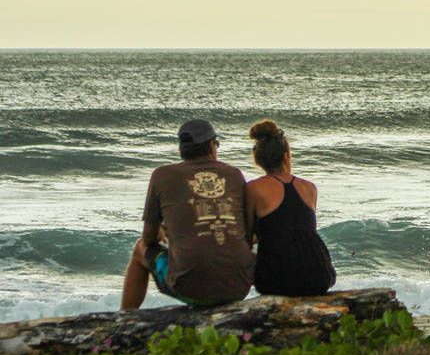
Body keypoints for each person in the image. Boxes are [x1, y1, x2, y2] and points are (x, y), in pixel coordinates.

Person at [121, 119, 255, 309]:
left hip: (189, 290)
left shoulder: (162, 175)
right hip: (239, 288)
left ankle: (125, 318)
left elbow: (148, 239)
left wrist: (162, 229)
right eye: (217, 144)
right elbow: (246, 236)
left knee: (139, 249)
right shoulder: (234, 174)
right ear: (210, 145)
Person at [245, 119, 336, 296]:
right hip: (319, 274)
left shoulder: (253, 188)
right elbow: (300, 232)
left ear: (258, 159)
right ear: (286, 155)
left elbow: (248, 238)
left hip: (276, 278)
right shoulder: (309, 187)